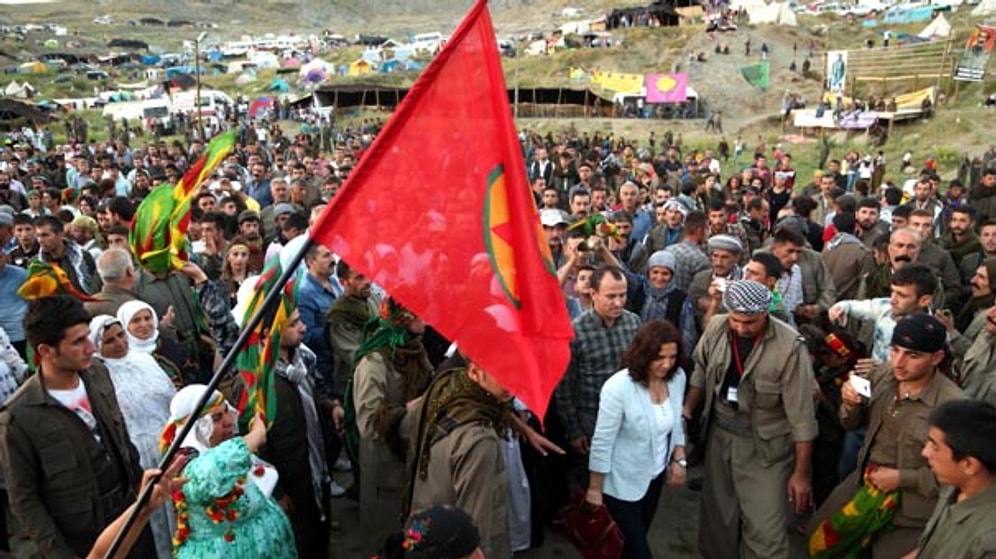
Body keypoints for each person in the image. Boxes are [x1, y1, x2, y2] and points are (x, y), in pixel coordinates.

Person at [0, 296, 155, 559]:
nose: (91, 348)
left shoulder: (97, 374)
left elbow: (122, 440)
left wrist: (142, 491)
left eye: (88, 337)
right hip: (83, 541)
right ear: (46, 351)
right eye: (78, 342)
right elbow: (24, 499)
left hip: (131, 519)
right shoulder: (20, 416)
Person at [809, 314, 965, 559]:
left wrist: (902, 478)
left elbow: (961, 476)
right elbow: (850, 423)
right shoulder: (882, 375)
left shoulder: (953, 407)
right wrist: (850, 403)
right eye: (895, 350)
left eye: (912, 355)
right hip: (861, 486)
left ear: (936, 357)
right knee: (817, 541)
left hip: (909, 512)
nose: (899, 362)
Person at [684, 280, 818, 559]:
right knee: (717, 523)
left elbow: (802, 417)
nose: (742, 328)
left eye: (751, 322)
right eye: (736, 320)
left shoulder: (790, 347)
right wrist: (687, 409)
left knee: (766, 531)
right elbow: (701, 370)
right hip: (719, 438)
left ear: (766, 314)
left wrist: (801, 474)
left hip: (767, 449)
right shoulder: (717, 328)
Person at [586, 320, 688, 559]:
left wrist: (679, 458)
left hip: (653, 479)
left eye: (673, 357)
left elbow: (676, 421)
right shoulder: (618, 387)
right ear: (643, 354)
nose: (667, 364)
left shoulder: (677, 377)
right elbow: (602, 441)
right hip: (620, 485)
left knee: (627, 548)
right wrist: (594, 488)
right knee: (639, 551)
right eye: (660, 357)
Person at [159, 385, 297, 558]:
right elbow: (210, 473)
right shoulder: (184, 461)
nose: (229, 421)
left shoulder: (220, 447)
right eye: (216, 418)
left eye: (226, 412)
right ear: (196, 428)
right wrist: (256, 435)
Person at [406, 361, 515, 559]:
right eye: (505, 372)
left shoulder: (450, 387)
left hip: (424, 528)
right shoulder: (480, 440)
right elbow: (475, 527)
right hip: (451, 545)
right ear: (475, 372)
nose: (515, 384)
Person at [89, 315, 176, 559]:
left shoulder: (145, 360)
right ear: (97, 346)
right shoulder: (98, 376)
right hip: (139, 456)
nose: (118, 343)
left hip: (167, 443)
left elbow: (169, 396)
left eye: (120, 336)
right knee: (153, 511)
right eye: (108, 341)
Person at [353, 298, 434, 548]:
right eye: (421, 313)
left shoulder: (415, 350)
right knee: (385, 538)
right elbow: (368, 423)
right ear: (404, 320)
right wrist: (407, 411)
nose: (428, 320)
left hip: (413, 463)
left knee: (413, 536)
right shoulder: (374, 363)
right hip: (385, 468)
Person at [906, 400, 996, 559]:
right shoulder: (954, 486)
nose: (925, 452)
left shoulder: (989, 539)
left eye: (935, 447)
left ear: (969, 465)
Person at [117, 300, 191, 388]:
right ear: (125, 325)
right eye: (136, 321)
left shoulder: (169, 345)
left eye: (147, 318)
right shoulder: (122, 357)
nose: (144, 324)